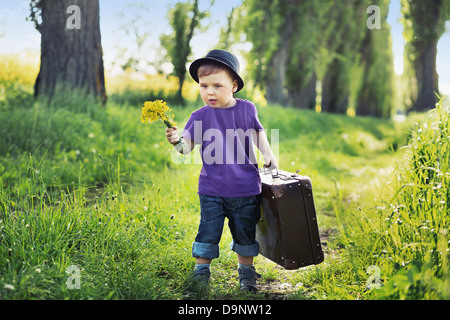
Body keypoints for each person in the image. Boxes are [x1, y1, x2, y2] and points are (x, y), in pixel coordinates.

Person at [165, 49, 277, 292]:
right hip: (212, 189)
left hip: (245, 188)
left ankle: (246, 274)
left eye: (217, 85)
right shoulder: (199, 116)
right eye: (204, 86)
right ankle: (200, 273)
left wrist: (268, 154)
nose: (210, 92)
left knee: (245, 233)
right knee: (208, 230)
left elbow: (258, 133)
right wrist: (176, 141)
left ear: (234, 85)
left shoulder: (247, 110)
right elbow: (187, 147)